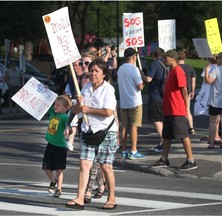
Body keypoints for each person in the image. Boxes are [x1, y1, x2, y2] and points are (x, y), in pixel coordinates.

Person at [65, 59, 118, 210]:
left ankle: (111, 198)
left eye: (96, 71)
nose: (93, 73)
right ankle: (80, 197)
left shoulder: (108, 89)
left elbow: (108, 112)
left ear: (104, 74)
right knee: (84, 164)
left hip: (106, 133)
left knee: (106, 166)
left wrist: (88, 109)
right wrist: (77, 103)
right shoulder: (86, 88)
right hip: (88, 131)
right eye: (91, 70)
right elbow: (77, 111)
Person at [152, 49, 198, 170]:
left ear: (172, 58)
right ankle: (164, 158)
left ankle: (191, 160)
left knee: (183, 135)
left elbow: (184, 90)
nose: (164, 59)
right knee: (166, 135)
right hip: (169, 109)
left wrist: (185, 107)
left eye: (165, 57)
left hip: (177, 109)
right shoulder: (171, 71)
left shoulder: (178, 71)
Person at [117, 47, 145, 160]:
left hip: (124, 102)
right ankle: (134, 150)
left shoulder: (120, 69)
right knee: (134, 126)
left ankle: (124, 150)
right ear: (134, 57)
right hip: (135, 101)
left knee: (124, 127)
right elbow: (140, 86)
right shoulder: (134, 69)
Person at [42, 95, 72, 198]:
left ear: (65, 108)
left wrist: (67, 129)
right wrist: (45, 91)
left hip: (60, 147)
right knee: (47, 168)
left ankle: (59, 189)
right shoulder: (52, 112)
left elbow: (68, 126)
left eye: (58, 105)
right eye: (55, 104)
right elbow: (45, 102)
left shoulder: (64, 117)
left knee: (59, 169)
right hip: (50, 145)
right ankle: (53, 181)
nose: (55, 106)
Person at [140, 47, 166, 153]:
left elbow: (148, 79)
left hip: (155, 95)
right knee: (161, 120)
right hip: (163, 95)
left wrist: (141, 73)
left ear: (154, 56)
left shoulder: (155, 64)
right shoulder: (165, 65)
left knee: (156, 120)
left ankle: (163, 141)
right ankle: (162, 142)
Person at [178, 50, 196, 134]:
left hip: (177, 91)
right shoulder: (189, 67)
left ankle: (180, 127)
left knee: (178, 110)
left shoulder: (176, 68)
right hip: (187, 90)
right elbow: (193, 80)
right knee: (187, 110)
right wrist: (192, 91)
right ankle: (191, 128)